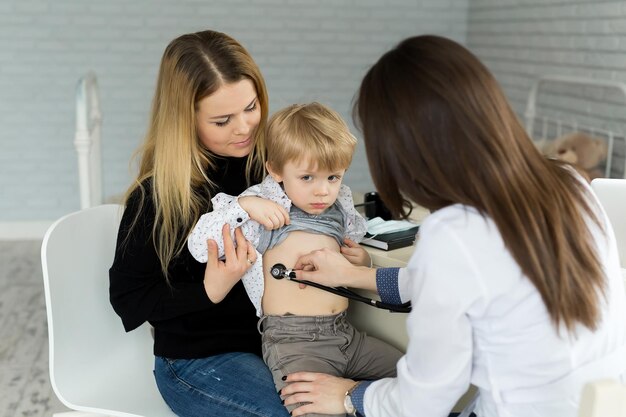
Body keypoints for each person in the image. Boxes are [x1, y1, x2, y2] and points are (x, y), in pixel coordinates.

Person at [280, 35, 626, 417]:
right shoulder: (568, 182)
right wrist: (358, 275)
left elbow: (423, 402)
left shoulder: (455, 233)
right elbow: (470, 284)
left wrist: (350, 395)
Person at [108, 30, 291, 417]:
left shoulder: (270, 165)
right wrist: (210, 289)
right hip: (198, 362)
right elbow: (128, 299)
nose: (244, 127)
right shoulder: (159, 194)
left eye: (251, 107)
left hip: (276, 343)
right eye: (223, 120)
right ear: (184, 120)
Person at [187, 102, 403, 417]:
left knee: (411, 376)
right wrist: (243, 207)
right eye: (307, 178)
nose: (322, 191)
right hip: (294, 342)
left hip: (345, 335)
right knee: (311, 410)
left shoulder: (339, 205)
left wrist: (362, 260)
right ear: (276, 170)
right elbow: (197, 245)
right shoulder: (263, 206)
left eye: (333, 177)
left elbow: (351, 246)